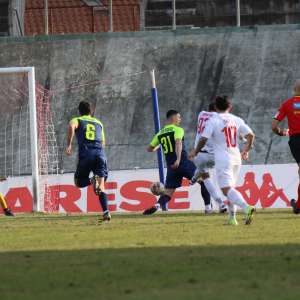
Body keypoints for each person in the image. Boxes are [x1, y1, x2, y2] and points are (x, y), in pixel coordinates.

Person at [190, 96, 256, 225]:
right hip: (236, 158)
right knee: (231, 189)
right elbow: (251, 135)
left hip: (223, 160)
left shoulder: (213, 120)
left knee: (226, 189)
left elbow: (203, 139)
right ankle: (232, 219)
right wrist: (246, 150)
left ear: (215, 107)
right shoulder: (236, 119)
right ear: (230, 107)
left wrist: (195, 151)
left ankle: (247, 207)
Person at [143, 109, 211, 215]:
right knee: (204, 181)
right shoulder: (178, 130)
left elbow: (149, 148)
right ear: (172, 118)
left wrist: (160, 145)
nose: (180, 119)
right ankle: (208, 208)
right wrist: (178, 160)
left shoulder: (160, 133)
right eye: (178, 117)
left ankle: (157, 205)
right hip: (182, 162)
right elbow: (178, 142)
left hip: (171, 167)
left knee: (169, 192)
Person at [65, 101, 111, 221]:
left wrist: (69, 144)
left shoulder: (77, 120)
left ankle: (91, 180)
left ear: (79, 111)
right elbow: (103, 143)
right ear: (92, 111)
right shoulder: (99, 123)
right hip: (100, 154)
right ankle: (106, 212)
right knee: (101, 186)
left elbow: (71, 127)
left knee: (78, 182)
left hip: (86, 154)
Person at [191, 103, 227, 213]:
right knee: (205, 171)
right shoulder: (219, 119)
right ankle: (194, 178)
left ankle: (221, 204)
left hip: (200, 153)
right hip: (215, 155)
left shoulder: (201, 114)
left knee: (205, 176)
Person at [272, 80, 300, 214]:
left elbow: (273, 126)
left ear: (294, 88)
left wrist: (282, 132)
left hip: (296, 141)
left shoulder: (287, 104)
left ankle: (299, 205)